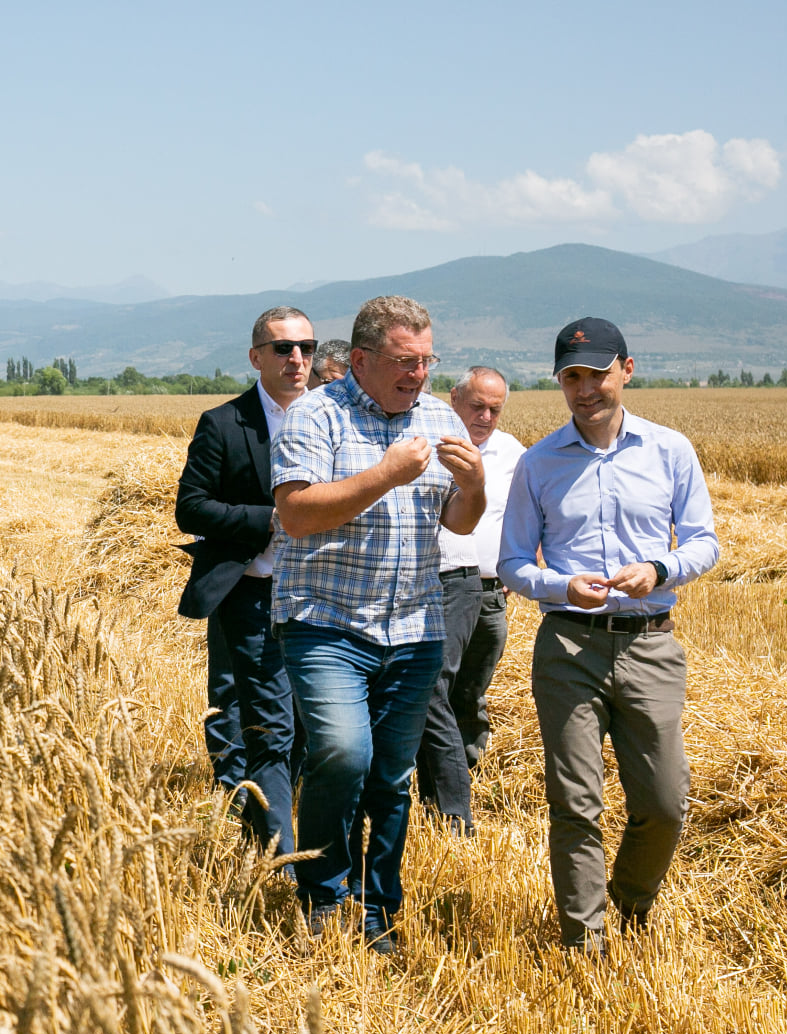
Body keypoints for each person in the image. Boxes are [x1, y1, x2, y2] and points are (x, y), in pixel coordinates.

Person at [497, 318, 719, 955]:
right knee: (575, 801)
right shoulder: (538, 463)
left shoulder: (670, 450)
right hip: (568, 646)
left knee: (666, 802)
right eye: (572, 377)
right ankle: (584, 943)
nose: (585, 388)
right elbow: (513, 562)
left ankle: (629, 902)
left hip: (651, 644)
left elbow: (703, 542)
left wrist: (659, 570)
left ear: (626, 369)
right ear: (560, 383)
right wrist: (561, 586)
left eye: (597, 373)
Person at [272, 296, 485, 953]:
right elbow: (297, 514)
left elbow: (458, 522)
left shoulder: (439, 418)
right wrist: (385, 475)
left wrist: (475, 487)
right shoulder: (316, 415)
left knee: (392, 779)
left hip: (414, 625)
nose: (418, 374)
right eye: (403, 361)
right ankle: (323, 893)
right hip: (326, 622)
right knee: (343, 754)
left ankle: (377, 911)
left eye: (426, 361)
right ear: (361, 361)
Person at [174, 306, 315, 861]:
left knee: (311, 729)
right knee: (271, 728)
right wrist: (271, 520)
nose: (297, 358)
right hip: (256, 594)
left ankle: (265, 824)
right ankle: (279, 859)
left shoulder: (334, 420)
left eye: (306, 347)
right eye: (283, 348)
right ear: (257, 357)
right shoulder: (224, 423)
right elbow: (191, 508)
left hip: (324, 596)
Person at [414, 367, 525, 836]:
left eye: (494, 409)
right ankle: (446, 801)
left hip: (490, 592)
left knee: (468, 693)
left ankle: (461, 777)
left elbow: (528, 515)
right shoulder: (429, 442)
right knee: (434, 687)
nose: (485, 417)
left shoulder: (513, 453)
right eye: (477, 406)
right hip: (437, 583)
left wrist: (519, 563)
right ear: (454, 398)